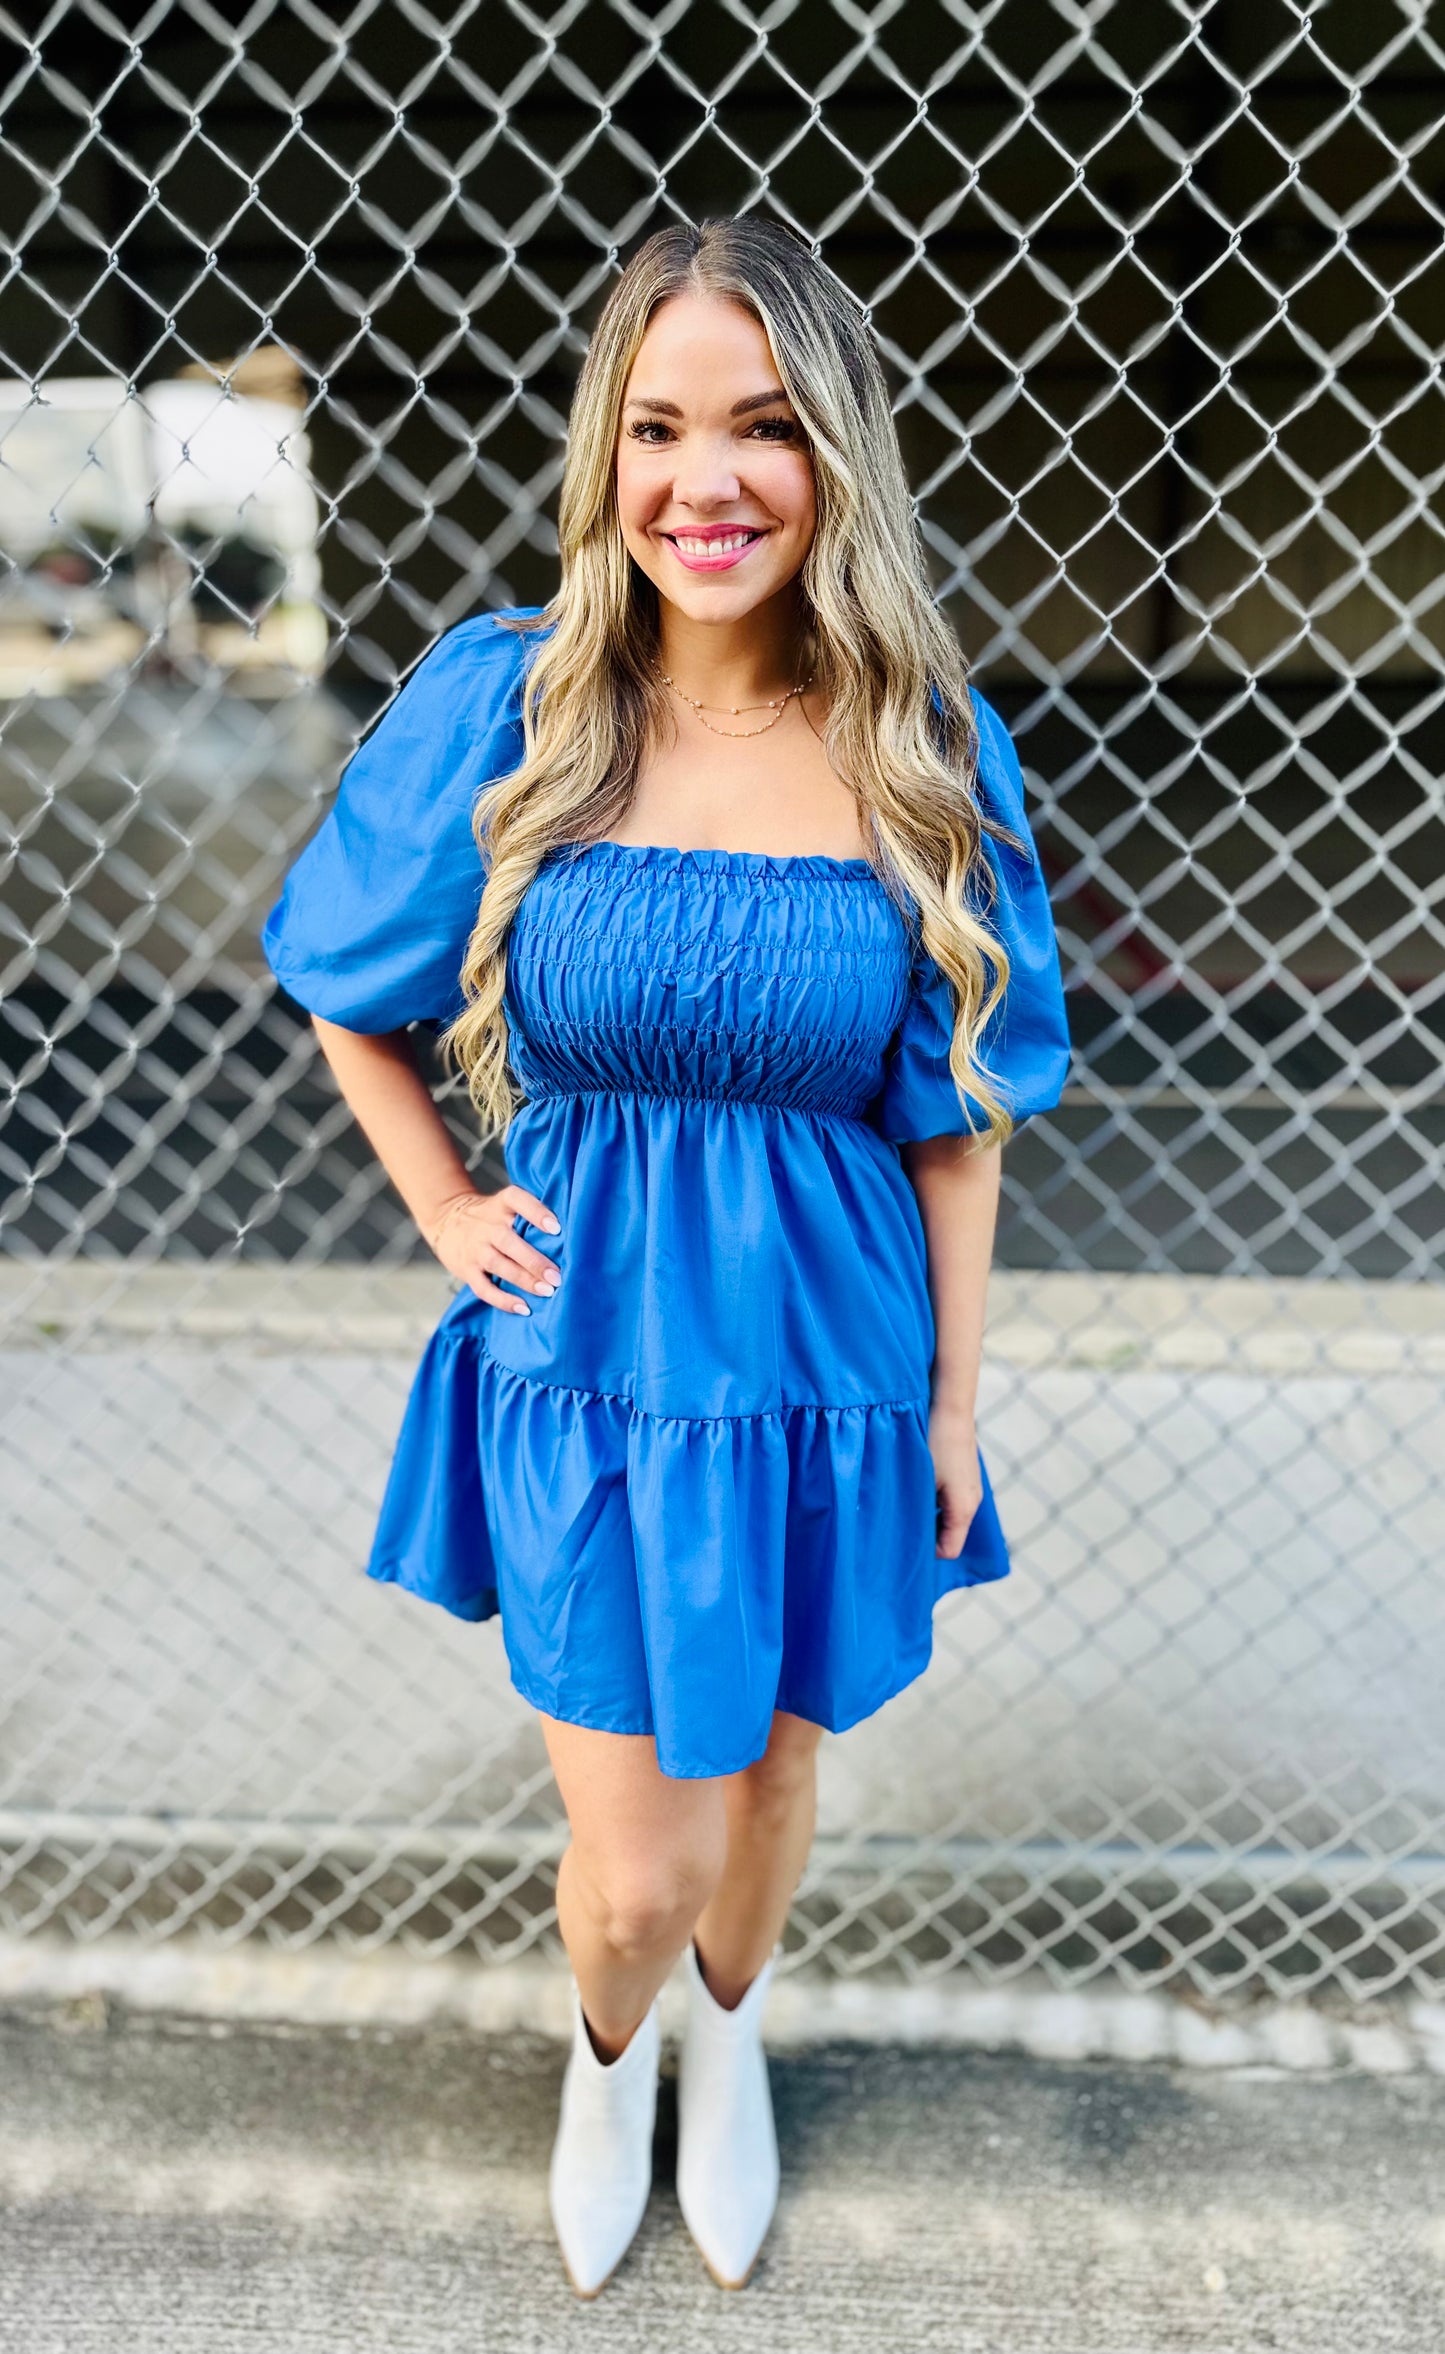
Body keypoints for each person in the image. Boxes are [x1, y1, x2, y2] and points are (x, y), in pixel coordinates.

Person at [261, 215, 1071, 2299]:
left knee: (775, 1775)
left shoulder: (920, 752)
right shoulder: (510, 707)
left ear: (836, 461)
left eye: (767, 428)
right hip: (593, 1357)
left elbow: (956, 1111)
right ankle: (611, 2043)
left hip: (833, 1369)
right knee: (638, 1860)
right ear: (605, 456)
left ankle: (732, 2042)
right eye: (662, 427)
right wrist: (443, 1200)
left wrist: (958, 1401)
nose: (708, 482)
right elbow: (342, 982)